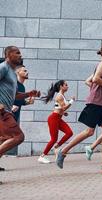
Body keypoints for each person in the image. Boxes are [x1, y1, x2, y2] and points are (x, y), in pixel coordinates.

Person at [56, 44, 102, 174]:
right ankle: (63, 152)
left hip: (101, 103)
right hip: (96, 103)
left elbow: (89, 80)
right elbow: (96, 79)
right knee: (89, 132)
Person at [0, 46, 40, 183]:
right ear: (8, 55)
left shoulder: (11, 72)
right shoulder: (3, 67)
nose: (20, 55)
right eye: (17, 53)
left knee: (3, 139)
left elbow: (15, 95)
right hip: (2, 111)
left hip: (6, 111)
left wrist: (29, 94)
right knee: (18, 136)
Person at [38, 80, 75, 164]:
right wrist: (71, 101)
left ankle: (56, 147)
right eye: (66, 85)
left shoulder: (62, 96)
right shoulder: (59, 96)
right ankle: (42, 156)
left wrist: (63, 113)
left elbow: (58, 107)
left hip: (58, 118)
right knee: (53, 139)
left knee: (69, 133)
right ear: (61, 86)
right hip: (53, 119)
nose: (67, 86)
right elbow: (64, 107)